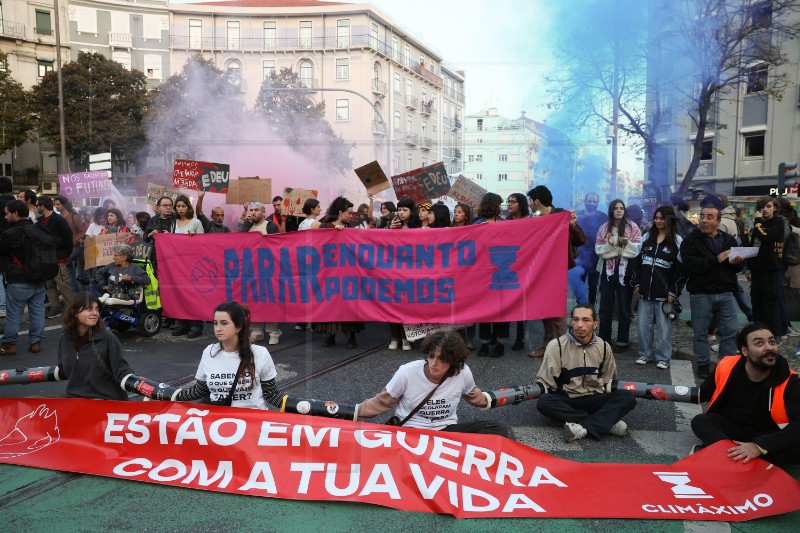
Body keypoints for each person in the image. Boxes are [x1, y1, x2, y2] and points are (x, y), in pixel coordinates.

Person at [356, 330, 508, 436]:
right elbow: (381, 402)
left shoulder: (462, 372)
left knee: (497, 429)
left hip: (445, 432)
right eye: (431, 356)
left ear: (453, 360)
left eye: (442, 359)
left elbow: (475, 396)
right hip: (411, 432)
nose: (434, 363)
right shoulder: (407, 372)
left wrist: (510, 396)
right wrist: (347, 413)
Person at [691, 323, 800, 466]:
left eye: (772, 341)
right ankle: (739, 457)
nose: (769, 347)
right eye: (759, 343)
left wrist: (758, 447)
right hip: (731, 428)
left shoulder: (791, 381)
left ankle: (722, 453)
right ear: (745, 351)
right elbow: (702, 394)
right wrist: (657, 392)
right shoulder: (727, 366)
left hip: (766, 434)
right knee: (700, 421)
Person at [535, 305, 637, 442]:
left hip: (594, 397)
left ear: (595, 324)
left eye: (586, 320)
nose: (579, 325)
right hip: (567, 398)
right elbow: (547, 382)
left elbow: (608, 379)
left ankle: (582, 427)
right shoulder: (556, 346)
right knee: (544, 402)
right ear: (571, 321)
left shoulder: (604, 346)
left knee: (628, 398)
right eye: (575, 320)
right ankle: (605, 423)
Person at [173, 302, 283, 410]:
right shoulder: (209, 352)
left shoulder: (260, 353)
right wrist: (163, 392)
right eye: (216, 323)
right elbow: (198, 391)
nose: (218, 328)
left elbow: (271, 395)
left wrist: (298, 405)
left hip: (252, 421)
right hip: (218, 420)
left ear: (238, 327)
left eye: (224, 323)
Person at [680, 202, 744, 378]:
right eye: (702, 216)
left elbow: (737, 268)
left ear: (718, 221)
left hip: (726, 292)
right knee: (700, 333)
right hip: (701, 293)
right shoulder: (690, 241)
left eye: (709, 217)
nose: (704, 220)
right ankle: (703, 363)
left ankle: (727, 365)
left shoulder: (728, 239)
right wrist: (716, 259)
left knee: (730, 332)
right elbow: (692, 265)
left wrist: (738, 262)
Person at [528, 185, 588, 357]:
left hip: (557, 270)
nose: (530, 204)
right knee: (544, 309)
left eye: (531, 201)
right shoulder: (536, 219)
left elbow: (581, 240)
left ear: (537, 201)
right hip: (540, 269)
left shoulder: (562, 215)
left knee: (556, 310)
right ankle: (547, 346)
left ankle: (564, 349)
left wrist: (572, 225)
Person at [630, 206, 686, 369]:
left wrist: (674, 291)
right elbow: (636, 262)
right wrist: (637, 283)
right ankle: (645, 354)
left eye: (662, 218)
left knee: (665, 328)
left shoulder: (677, 241)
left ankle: (663, 358)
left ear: (669, 219)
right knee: (643, 326)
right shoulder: (646, 237)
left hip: (665, 295)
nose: (659, 221)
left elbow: (680, 269)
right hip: (645, 293)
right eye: (656, 218)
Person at [55, 292, 134, 400]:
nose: (95, 313)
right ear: (74, 312)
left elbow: (122, 371)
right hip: (75, 400)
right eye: (89, 309)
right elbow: (63, 370)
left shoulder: (107, 338)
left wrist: (143, 385)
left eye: (97, 309)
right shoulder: (63, 339)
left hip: (107, 401)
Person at [315, 197, 364, 348]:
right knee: (328, 304)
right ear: (340, 212)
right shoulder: (324, 226)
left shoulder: (350, 228)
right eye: (349, 213)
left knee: (347, 305)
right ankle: (329, 336)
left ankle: (350, 337)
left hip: (346, 274)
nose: (351, 216)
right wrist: (332, 232)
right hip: (328, 274)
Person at [0, 200, 48, 355]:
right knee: (38, 311)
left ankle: (9, 344)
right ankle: (36, 342)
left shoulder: (9, 234)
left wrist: (8, 269)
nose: (5, 217)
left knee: (14, 314)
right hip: (39, 277)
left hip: (18, 279)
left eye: (7, 213)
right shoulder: (40, 229)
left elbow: (2, 254)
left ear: (15, 213)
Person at [595, 199, 642, 352]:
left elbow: (638, 248)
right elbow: (598, 250)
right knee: (605, 307)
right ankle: (604, 339)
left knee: (624, 307)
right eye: (616, 208)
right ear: (611, 211)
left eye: (621, 208)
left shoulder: (632, 227)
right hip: (608, 272)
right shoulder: (604, 228)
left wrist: (626, 244)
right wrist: (609, 246)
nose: (619, 211)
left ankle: (622, 340)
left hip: (625, 271)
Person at [473, 192, 510, 357]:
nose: (501, 207)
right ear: (492, 205)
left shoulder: (506, 224)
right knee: (484, 309)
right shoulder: (476, 224)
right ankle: (485, 343)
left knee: (503, 310)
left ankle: (501, 343)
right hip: (483, 274)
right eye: (499, 204)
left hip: (502, 272)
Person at [238, 201, 281, 344]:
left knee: (268, 302)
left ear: (263, 212)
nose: (253, 212)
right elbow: (238, 239)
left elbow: (279, 245)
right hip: (251, 270)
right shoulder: (248, 225)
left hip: (267, 270)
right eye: (252, 210)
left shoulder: (270, 225)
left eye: (257, 210)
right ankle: (256, 331)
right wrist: (246, 223)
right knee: (252, 302)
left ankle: (273, 332)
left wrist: (266, 238)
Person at [747, 196, 786, 341]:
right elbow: (754, 247)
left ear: (775, 208)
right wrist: (749, 267)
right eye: (763, 207)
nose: (765, 210)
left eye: (769, 206)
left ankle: (775, 335)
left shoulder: (778, 222)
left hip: (771, 270)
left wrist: (757, 223)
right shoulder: (759, 225)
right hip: (757, 270)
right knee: (757, 303)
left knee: (770, 304)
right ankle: (758, 333)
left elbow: (766, 236)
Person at [171, 195, 205, 339]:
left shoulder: (196, 222)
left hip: (192, 264)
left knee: (193, 294)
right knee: (179, 294)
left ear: (188, 207)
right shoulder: (173, 224)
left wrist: (195, 237)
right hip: (177, 264)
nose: (180, 209)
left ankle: (196, 325)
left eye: (183, 206)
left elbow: (204, 243)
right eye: (178, 206)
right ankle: (181, 323)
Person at [37, 196, 74, 319]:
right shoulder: (40, 221)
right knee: (50, 285)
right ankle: (55, 307)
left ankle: (72, 308)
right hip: (46, 258)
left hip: (58, 257)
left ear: (42, 207)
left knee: (63, 284)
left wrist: (66, 254)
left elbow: (68, 238)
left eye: (38, 205)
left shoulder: (58, 220)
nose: (37, 208)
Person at [575, 192, 608, 307]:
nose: (592, 204)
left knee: (593, 284)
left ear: (598, 203)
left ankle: (591, 308)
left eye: (594, 202)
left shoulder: (603, 217)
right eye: (590, 201)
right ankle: (580, 307)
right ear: (585, 201)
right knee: (579, 283)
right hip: (580, 256)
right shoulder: (578, 215)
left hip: (595, 256)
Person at [53, 195, 86, 293]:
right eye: (55, 204)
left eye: (58, 204)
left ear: (64, 205)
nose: (56, 206)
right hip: (63, 248)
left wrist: (74, 241)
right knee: (69, 268)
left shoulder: (74, 217)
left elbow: (82, 231)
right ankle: (75, 289)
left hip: (74, 247)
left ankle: (76, 290)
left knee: (67, 266)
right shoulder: (58, 218)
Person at [0, 177, 15, 318]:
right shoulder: (17, 203)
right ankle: (10, 306)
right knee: (11, 279)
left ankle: (2, 306)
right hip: (17, 245)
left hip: (2, 244)